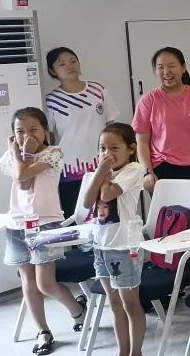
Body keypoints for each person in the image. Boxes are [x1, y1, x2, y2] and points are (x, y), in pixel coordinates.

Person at [0, 107, 86, 355]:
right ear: (12, 134)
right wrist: (18, 153)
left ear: (46, 131)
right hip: (17, 224)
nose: (26, 136)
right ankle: (43, 331)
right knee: (28, 282)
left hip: (45, 224)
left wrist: (22, 152)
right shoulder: (13, 155)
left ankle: (78, 310)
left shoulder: (53, 153)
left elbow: (23, 177)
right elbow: (22, 181)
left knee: (45, 283)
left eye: (33, 130)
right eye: (20, 131)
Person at [84, 123, 146, 356]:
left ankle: (136, 352)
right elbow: (87, 202)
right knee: (114, 303)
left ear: (131, 148)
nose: (107, 153)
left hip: (124, 246)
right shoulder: (102, 173)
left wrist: (102, 172)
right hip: (101, 245)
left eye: (114, 147)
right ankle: (123, 351)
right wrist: (100, 172)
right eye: (102, 148)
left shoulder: (133, 170)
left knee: (130, 303)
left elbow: (108, 194)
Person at [44, 47, 120, 218]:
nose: (69, 66)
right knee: (76, 218)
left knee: (107, 217)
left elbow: (112, 128)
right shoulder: (51, 100)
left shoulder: (98, 90)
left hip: (102, 165)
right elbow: (48, 137)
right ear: (52, 71)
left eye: (73, 61)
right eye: (62, 64)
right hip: (69, 171)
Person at [132, 47, 190, 192]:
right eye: (160, 67)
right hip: (161, 168)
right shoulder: (148, 100)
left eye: (171, 66)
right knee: (169, 208)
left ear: (183, 67)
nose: (166, 72)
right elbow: (141, 141)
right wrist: (147, 172)